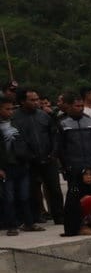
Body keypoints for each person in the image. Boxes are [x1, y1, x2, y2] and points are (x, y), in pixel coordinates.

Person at [12, 87, 64, 226]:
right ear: (23, 101)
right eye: (32, 100)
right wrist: (29, 156)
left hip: (48, 158)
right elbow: (17, 140)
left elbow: (54, 134)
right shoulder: (15, 118)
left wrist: (53, 153)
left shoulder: (44, 115)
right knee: (32, 190)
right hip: (29, 161)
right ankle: (37, 216)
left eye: (37, 99)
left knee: (54, 188)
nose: (36, 102)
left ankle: (59, 215)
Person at [1, 98, 44, 234]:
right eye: (7, 109)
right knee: (9, 197)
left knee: (25, 196)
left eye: (12, 109)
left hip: (22, 164)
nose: (10, 111)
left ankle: (29, 223)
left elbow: (28, 141)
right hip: (7, 167)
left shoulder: (18, 123)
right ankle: (12, 225)